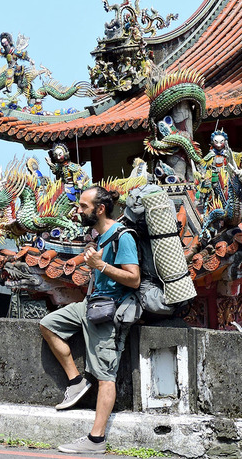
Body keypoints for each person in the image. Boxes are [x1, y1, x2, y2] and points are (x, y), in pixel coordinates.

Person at [39, 186, 140, 454]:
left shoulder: (123, 237)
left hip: (109, 311)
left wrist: (101, 266)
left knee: (106, 376)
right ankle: (76, 381)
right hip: (89, 305)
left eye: (83, 206)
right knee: (48, 325)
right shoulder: (100, 237)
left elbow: (134, 278)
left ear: (100, 209)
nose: (78, 210)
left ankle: (96, 440)